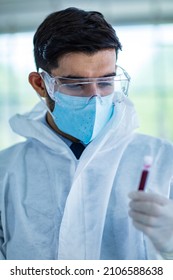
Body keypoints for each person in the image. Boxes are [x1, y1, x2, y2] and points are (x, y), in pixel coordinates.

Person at [0, 7, 173, 260]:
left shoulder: (164, 161)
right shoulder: (6, 171)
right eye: (75, 84)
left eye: (105, 82)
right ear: (40, 84)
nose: (95, 98)